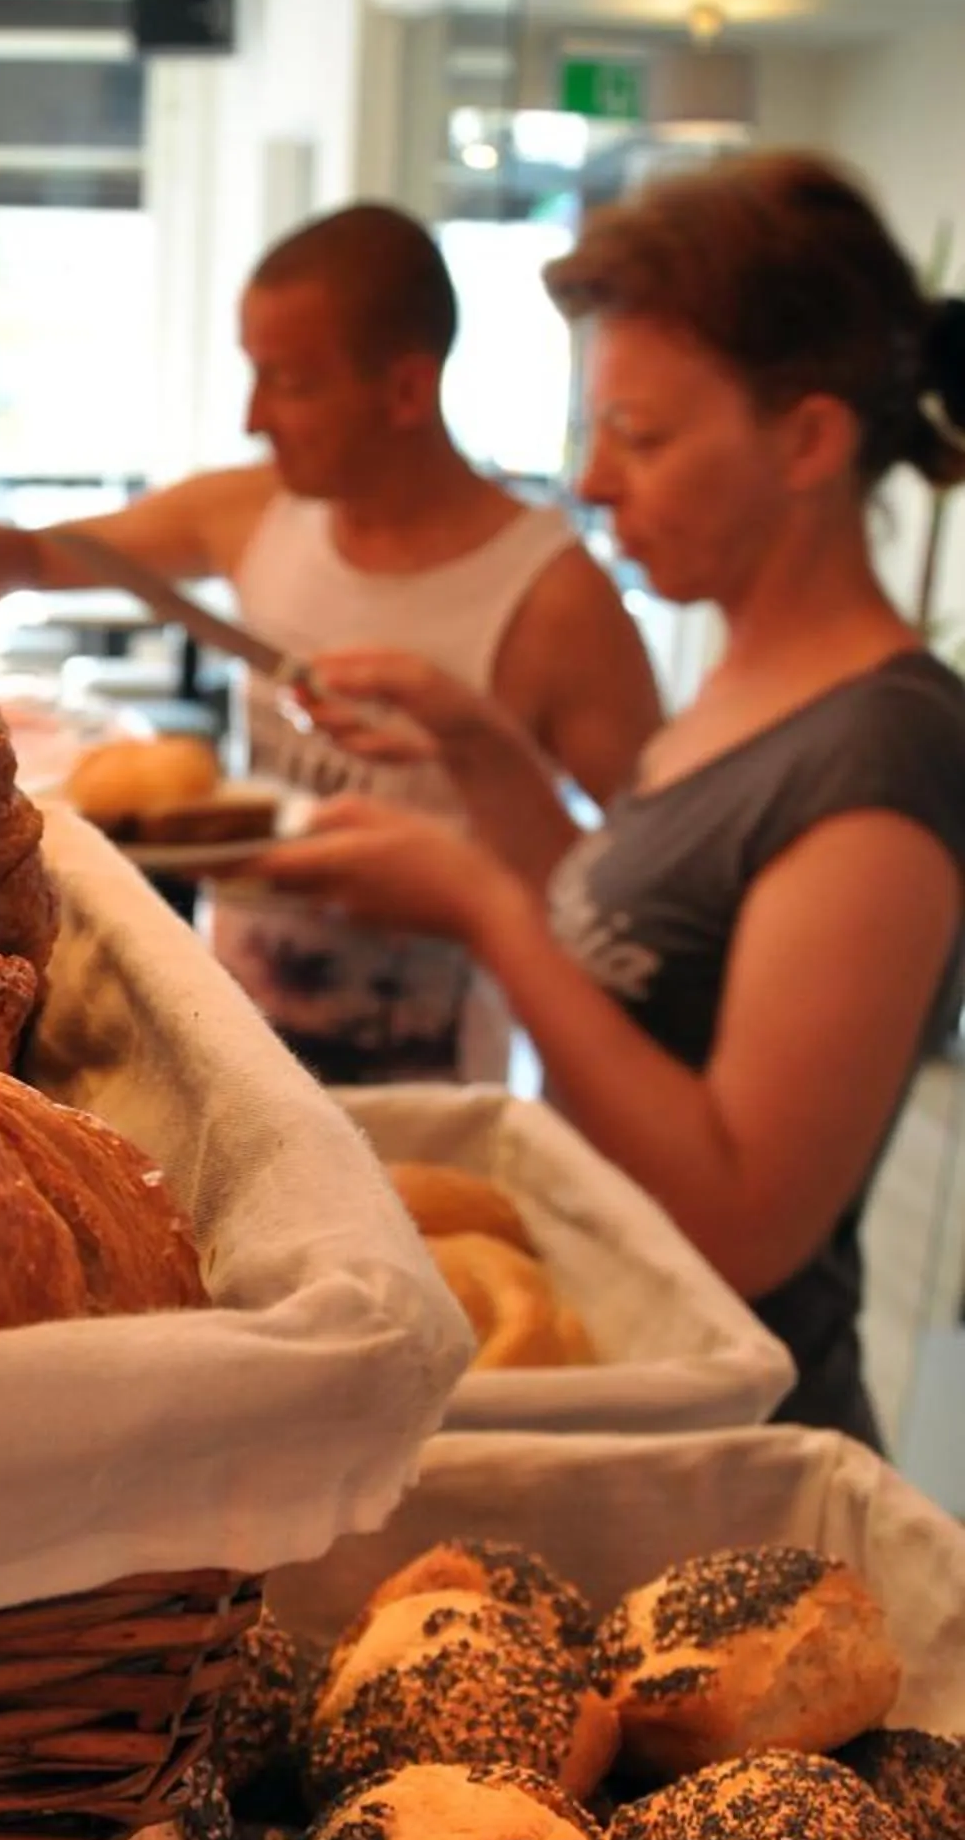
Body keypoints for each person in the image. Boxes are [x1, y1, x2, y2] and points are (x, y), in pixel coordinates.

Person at [250, 151, 965, 1443]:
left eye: (642, 436)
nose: (591, 482)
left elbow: (744, 1221)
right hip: (630, 1376)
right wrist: (477, 749)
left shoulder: (882, 766)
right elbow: (627, 940)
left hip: (736, 1438)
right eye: (595, 430)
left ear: (807, 438)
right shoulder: (749, 672)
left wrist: (481, 909)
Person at [0, 203, 660, 1081]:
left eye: (291, 382)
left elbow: (635, 901)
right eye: (253, 374)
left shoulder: (555, 599)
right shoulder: (255, 510)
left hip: (429, 1077)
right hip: (243, 1042)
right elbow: (40, 555)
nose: (255, 416)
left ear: (408, 390)